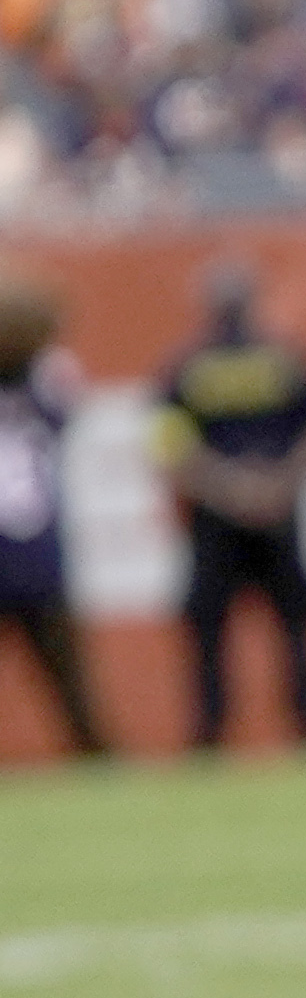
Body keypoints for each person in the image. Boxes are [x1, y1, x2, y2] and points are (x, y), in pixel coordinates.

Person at [155, 259, 306, 748]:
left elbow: (168, 445)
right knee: (290, 630)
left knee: (221, 634)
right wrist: (275, 485)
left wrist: (229, 488)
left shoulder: (187, 367)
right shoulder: (284, 358)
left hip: (219, 518)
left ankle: (214, 736)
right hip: (270, 514)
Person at [0, 280, 96, 755]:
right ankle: (100, 768)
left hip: (26, 559)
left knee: (74, 690)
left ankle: (97, 757)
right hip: (38, 560)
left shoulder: (39, 390)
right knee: (73, 694)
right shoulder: (43, 394)